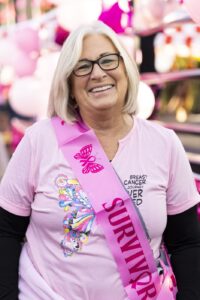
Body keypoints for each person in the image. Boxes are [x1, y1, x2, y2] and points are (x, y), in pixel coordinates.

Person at [0, 20, 200, 300]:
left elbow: (187, 242)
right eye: (83, 66)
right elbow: (6, 231)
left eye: (108, 60)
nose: (97, 73)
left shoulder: (163, 143)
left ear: (125, 69)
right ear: (68, 82)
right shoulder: (39, 140)